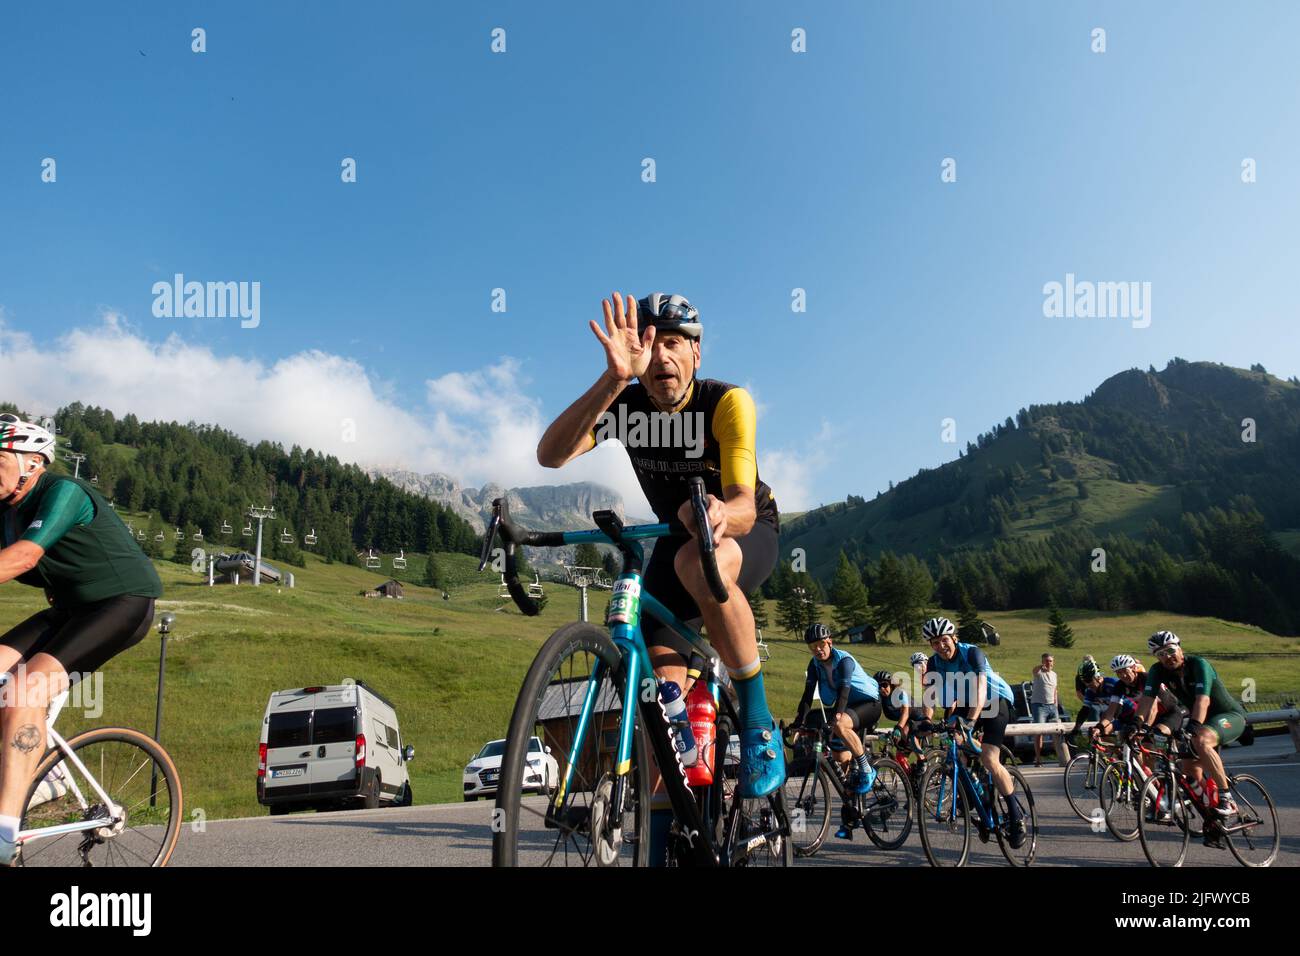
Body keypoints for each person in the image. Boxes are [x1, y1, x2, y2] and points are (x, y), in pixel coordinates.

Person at [536, 293, 781, 864]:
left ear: (696, 351)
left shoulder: (726, 401)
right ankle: (673, 826)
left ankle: (759, 719)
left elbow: (743, 501)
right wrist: (612, 379)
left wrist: (721, 514)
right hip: (676, 538)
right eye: (650, 344)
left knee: (702, 560)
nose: (662, 356)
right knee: (657, 707)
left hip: (742, 527)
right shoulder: (626, 403)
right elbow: (550, 455)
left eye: (674, 343)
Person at [0, 414, 163, 865]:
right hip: (71, 609)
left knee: (25, 691)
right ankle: (35, 775)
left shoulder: (63, 492)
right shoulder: (5, 512)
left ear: (33, 463)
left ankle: (4, 832)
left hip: (122, 603)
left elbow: (24, 556)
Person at [919, 616, 1026, 847]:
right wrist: (927, 720)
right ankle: (978, 790)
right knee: (953, 744)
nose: (940, 646)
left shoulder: (972, 653)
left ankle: (1015, 815)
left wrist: (970, 721)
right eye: (935, 643)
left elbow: (980, 689)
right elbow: (929, 694)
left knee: (989, 757)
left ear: (954, 638)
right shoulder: (934, 663)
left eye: (944, 640)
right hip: (968, 702)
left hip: (995, 700)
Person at [1136, 631, 1248, 830]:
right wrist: (1137, 724)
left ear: (1180, 648)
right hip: (1201, 720)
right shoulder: (1157, 671)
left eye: (1171, 650)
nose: (1167, 657)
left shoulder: (1198, 664)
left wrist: (1193, 725)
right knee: (1190, 772)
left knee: (1201, 739)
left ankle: (1226, 798)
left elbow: (1202, 700)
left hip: (1227, 716)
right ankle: (1215, 818)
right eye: (1160, 654)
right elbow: (1147, 700)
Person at [793, 623, 881, 797]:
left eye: (821, 644)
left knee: (839, 725)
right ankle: (853, 805)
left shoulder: (843, 660)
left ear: (830, 642)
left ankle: (867, 769)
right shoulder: (814, 665)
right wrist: (798, 722)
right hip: (847, 707)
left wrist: (837, 716)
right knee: (840, 758)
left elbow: (844, 690)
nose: (818, 649)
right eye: (813, 647)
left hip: (868, 703)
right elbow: (807, 695)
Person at [1029, 652, 1068, 766]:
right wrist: (1041, 667)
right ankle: (1038, 759)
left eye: (1050, 661)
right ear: (1042, 662)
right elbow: (1034, 670)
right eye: (1046, 661)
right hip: (1039, 706)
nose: (1048, 663)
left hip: (1052, 706)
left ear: (1053, 662)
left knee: (1057, 732)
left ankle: (1062, 759)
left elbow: (1055, 689)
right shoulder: (1039, 673)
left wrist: (1055, 704)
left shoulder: (1054, 675)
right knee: (1039, 732)